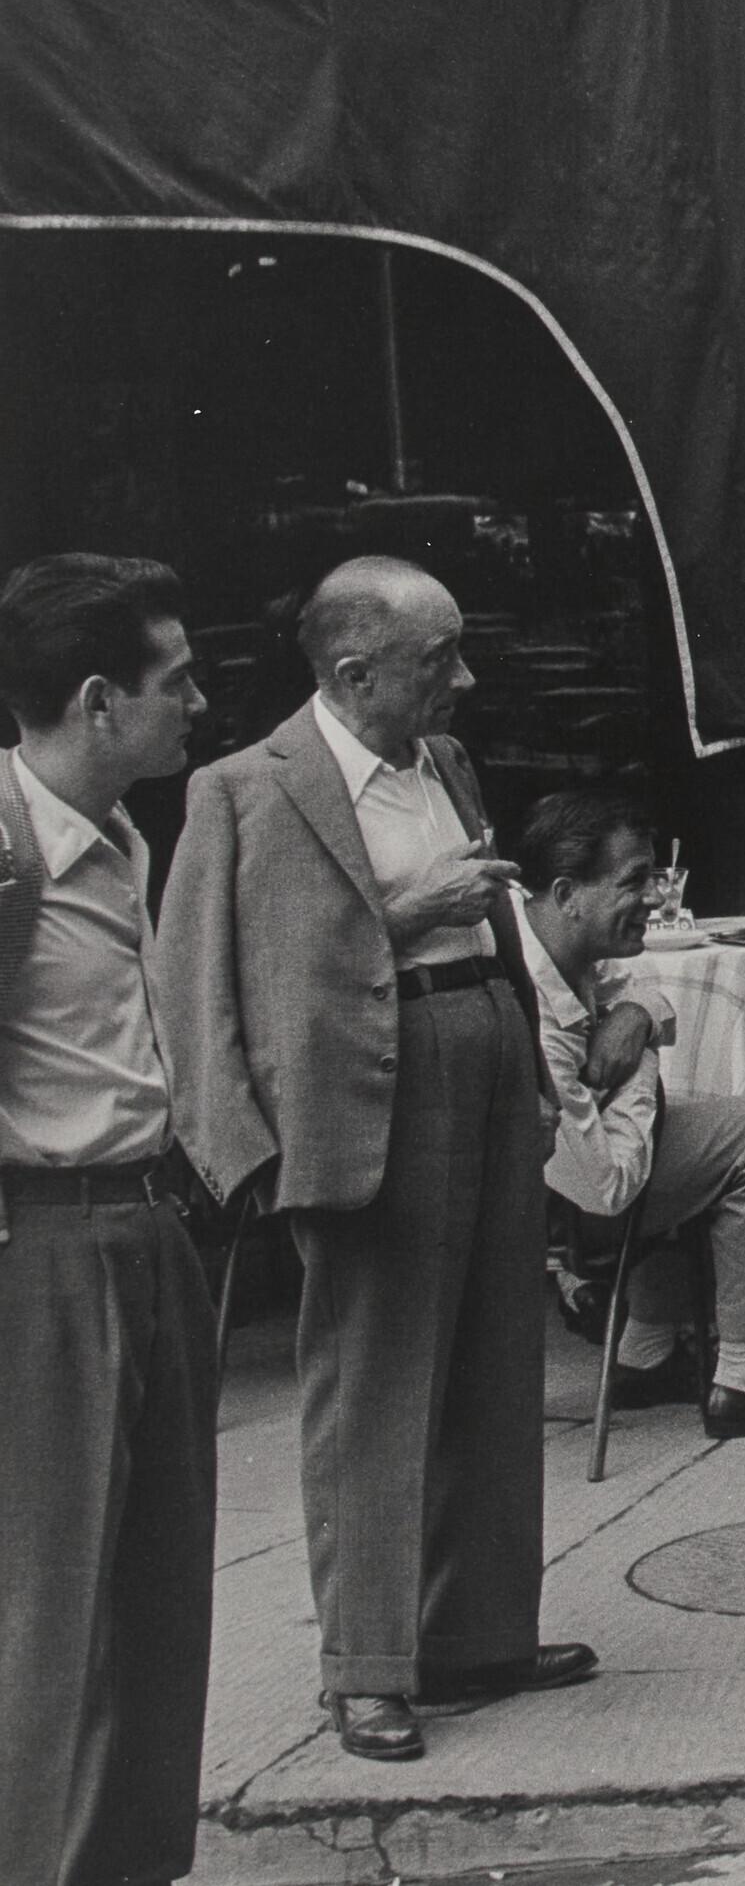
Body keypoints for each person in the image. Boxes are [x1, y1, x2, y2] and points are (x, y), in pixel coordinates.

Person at [157, 556, 589, 1762]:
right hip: (363, 1090)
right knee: (372, 1387)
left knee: (497, 1359)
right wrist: (238, 1154)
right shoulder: (242, 791)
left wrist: (539, 1074)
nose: (466, 676)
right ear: (353, 672)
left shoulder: (442, 762)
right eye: (438, 659)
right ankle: (366, 1669)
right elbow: (195, 982)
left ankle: (481, 1634)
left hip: (483, 1055)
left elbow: (493, 922)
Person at [0, 555, 216, 1886]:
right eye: (175, 679)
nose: (199, 699)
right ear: (97, 702)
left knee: (153, 1606)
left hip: (146, 1235)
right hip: (46, 1256)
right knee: (54, 1619)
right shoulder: (7, 855)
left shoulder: (122, 837)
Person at [508, 789, 745, 1438]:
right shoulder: (539, 1015)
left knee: (704, 1130)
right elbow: (606, 1191)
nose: (654, 898)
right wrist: (638, 1062)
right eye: (634, 881)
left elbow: (641, 991)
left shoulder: (544, 936)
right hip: (568, 1212)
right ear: (566, 893)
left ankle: (646, 1351)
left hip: (581, 1163)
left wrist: (635, 1016)